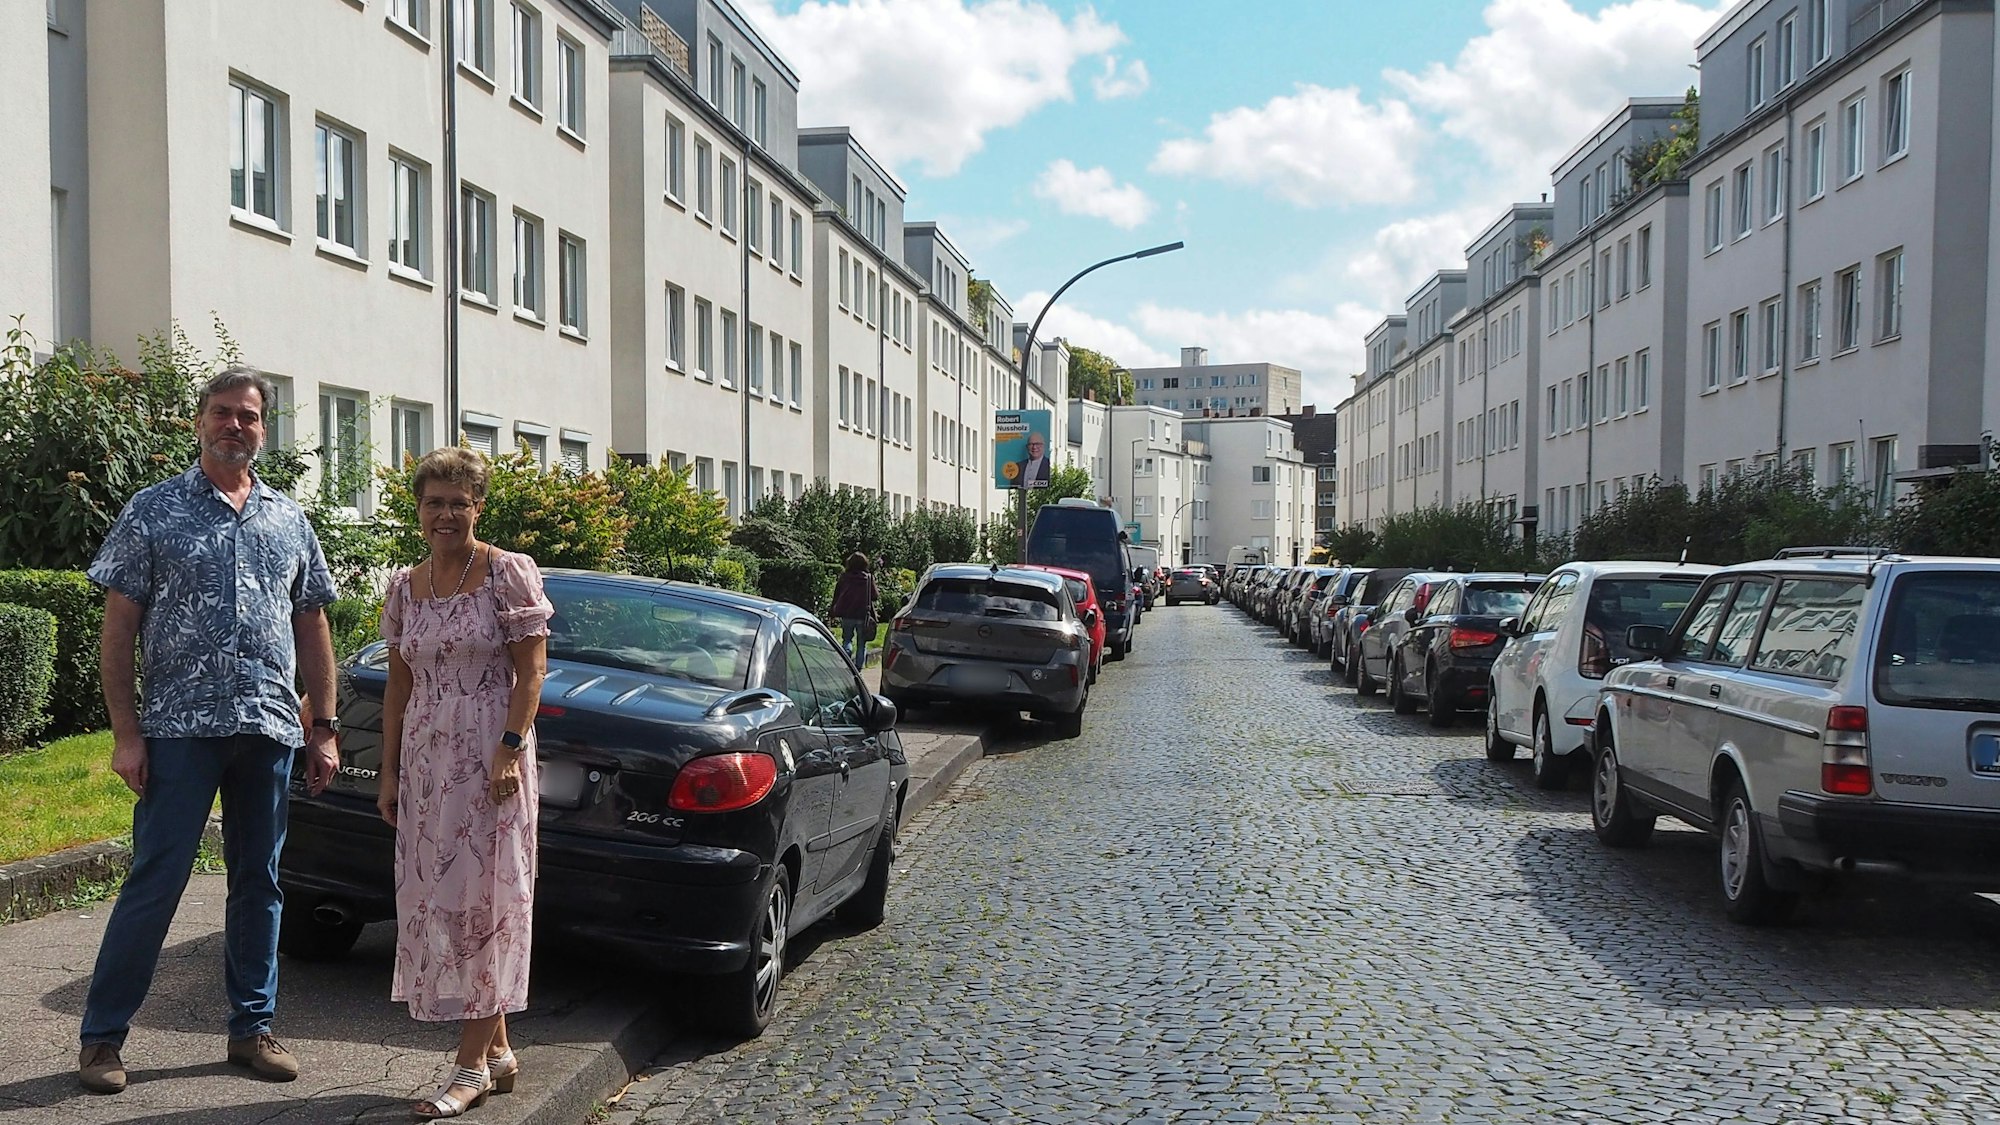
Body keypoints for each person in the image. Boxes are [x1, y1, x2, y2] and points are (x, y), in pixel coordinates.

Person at [77, 365, 340, 1095]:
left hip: (266, 728)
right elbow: (119, 627)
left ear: (264, 428)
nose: (235, 426)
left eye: (248, 416)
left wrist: (322, 725)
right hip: (178, 729)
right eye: (223, 413)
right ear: (200, 422)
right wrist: (126, 733)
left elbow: (312, 620)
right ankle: (101, 1038)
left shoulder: (289, 518)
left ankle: (251, 1027)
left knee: (259, 882)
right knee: (156, 879)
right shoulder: (153, 511)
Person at [376, 447, 552, 1119]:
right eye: (434, 501)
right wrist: (390, 771)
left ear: (478, 507)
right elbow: (399, 685)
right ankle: (501, 1053)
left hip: (490, 762)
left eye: (459, 501)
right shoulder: (404, 585)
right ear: (418, 511)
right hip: (426, 764)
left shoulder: (506, 573)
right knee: (443, 903)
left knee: (490, 900)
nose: (446, 513)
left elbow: (531, 671)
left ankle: (470, 1064)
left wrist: (509, 748)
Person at [828, 552, 879, 665]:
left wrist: (832, 610)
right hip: (863, 615)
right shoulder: (868, 578)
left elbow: (837, 594)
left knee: (847, 639)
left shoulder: (844, 577)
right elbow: (875, 596)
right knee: (861, 643)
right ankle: (858, 669)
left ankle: (847, 656)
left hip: (847, 614)